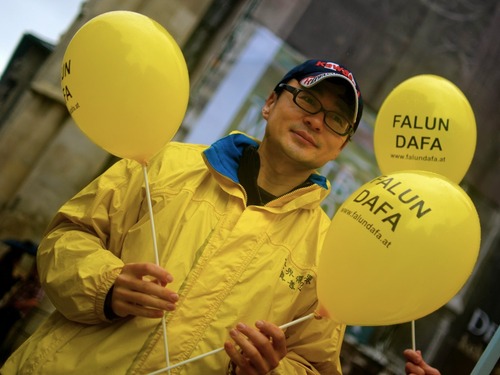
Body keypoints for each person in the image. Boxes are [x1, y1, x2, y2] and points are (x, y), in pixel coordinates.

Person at [0, 59, 438, 375]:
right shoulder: (165, 163)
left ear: (340, 147)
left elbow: (314, 365)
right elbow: (66, 238)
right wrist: (106, 285)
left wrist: (268, 371)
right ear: (270, 102)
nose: (316, 121)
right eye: (306, 99)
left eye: (337, 119)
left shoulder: (330, 252)